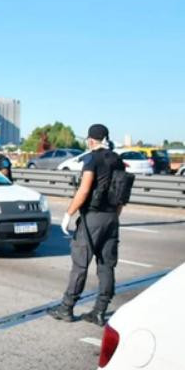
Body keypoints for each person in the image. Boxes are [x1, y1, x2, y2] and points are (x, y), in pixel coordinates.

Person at [48, 124, 124, 325]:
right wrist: (114, 216)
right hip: (111, 217)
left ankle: (66, 307)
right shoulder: (117, 160)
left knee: (80, 264)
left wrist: (68, 213)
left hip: (92, 218)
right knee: (106, 265)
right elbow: (122, 194)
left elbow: (83, 191)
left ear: (90, 140)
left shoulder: (92, 159)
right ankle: (99, 311)